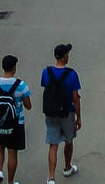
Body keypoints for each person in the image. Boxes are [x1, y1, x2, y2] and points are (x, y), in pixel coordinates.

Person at [0, 53, 32, 184]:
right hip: (16, 123)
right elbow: (28, 106)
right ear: (14, 68)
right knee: (12, 152)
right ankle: (10, 182)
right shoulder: (21, 85)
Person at [40, 44, 81, 183]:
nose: (68, 56)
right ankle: (67, 167)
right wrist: (78, 117)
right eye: (67, 54)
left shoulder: (46, 72)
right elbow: (76, 98)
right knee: (68, 141)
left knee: (53, 144)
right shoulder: (72, 74)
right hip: (67, 113)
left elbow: (47, 88)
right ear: (64, 56)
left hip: (51, 113)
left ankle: (51, 177)